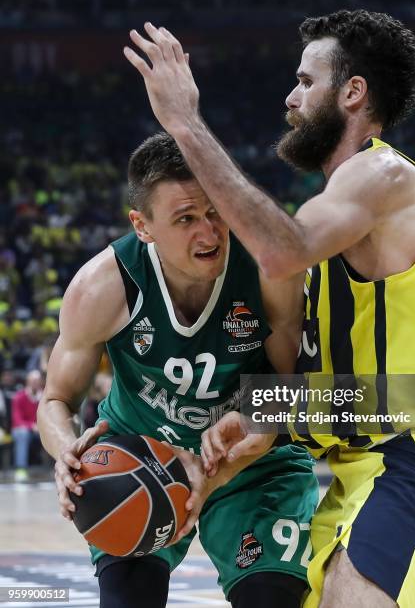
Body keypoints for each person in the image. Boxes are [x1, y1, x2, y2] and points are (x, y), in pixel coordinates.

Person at [123, 9, 415, 608]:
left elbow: (282, 253)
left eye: (306, 82)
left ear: (353, 92)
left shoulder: (383, 176)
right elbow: (350, 384)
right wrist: (262, 413)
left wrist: (185, 124)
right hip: (356, 463)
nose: (290, 97)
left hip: (413, 451)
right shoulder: (341, 205)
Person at [37, 132, 318, 608]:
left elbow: (294, 386)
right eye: (185, 219)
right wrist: (66, 452)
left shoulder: (269, 268)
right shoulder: (100, 287)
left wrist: (245, 442)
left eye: (214, 212)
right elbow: (56, 400)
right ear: (142, 226)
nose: (208, 233)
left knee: (271, 599)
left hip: (252, 461)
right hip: (140, 460)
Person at [11, 369, 43, 481]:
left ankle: (61, 467)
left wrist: (40, 427)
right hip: (22, 430)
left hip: (40, 431)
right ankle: (21, 470)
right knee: (23, 433)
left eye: (37, 380)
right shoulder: (19, 397)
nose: (35, 383)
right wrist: (32, 426)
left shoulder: (44, 398)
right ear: (27, 382)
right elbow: (17, 420)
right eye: (32, 380)